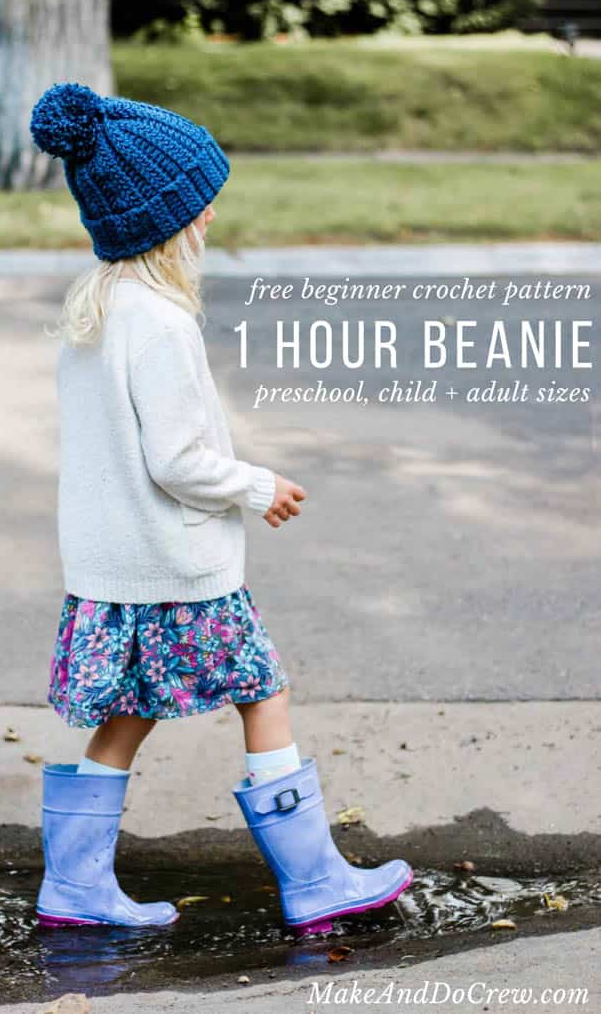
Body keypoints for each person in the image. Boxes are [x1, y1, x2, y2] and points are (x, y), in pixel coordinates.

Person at [29, 83, 412, 936]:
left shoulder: (97, 311)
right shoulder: (161, 325)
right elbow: (176, 460)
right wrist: (257, 485)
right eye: (199, 210)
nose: (207, 223)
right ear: (163, 222)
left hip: (118, 567)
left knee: (130, 715)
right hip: (179, 565)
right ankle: (314, 881)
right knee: (263, 690)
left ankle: (75, 886)